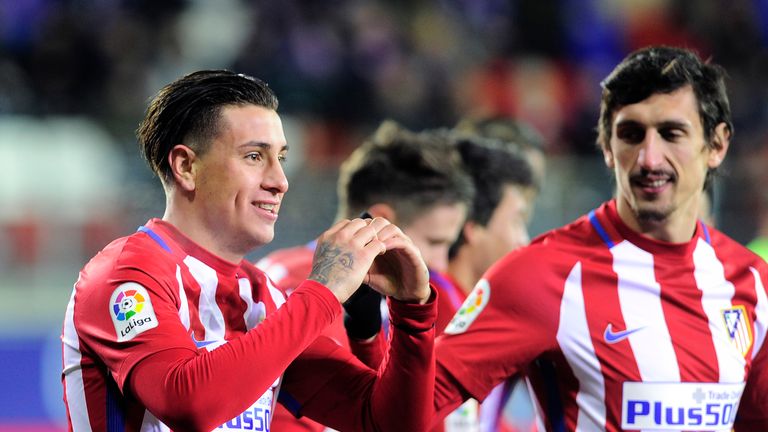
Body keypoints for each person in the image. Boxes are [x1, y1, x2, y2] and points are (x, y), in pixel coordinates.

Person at [60, 70, 438, 432]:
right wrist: (323, 290)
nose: (280, 182)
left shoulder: (265, 296)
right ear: (186, 166)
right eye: (254, 157)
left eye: (282, 158)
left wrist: (414, 313)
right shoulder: (126, 273)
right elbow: (188, 404)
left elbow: (387, 422)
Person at [432, 46, 768, 431]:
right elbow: (405, 413)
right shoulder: (542, 274)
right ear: (607, 147)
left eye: (671, 133)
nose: (649, 159)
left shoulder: (754, 283)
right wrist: (367, 325)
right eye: (631, 134)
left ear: (717, 144)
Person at [257, 120, 474, 432]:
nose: (440, 264)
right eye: (434, 242)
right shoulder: (301, 285)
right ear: (382, 221)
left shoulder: (374, 296)